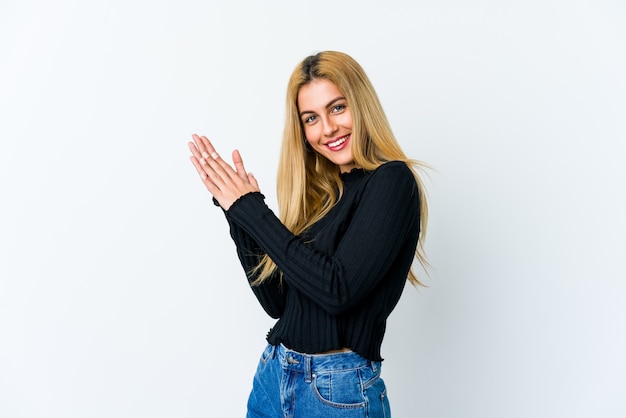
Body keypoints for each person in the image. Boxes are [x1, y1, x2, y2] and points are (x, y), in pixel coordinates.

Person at [188, 50, 429, 418]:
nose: (327, 129)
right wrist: (237, 215)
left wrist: (252, 211)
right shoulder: (324, 195)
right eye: (311, 118)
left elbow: (337, 290)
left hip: (336, 391)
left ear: (361, 105)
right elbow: (277, 305)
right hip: (274, 376)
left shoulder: (392, 182)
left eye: (337, 108)